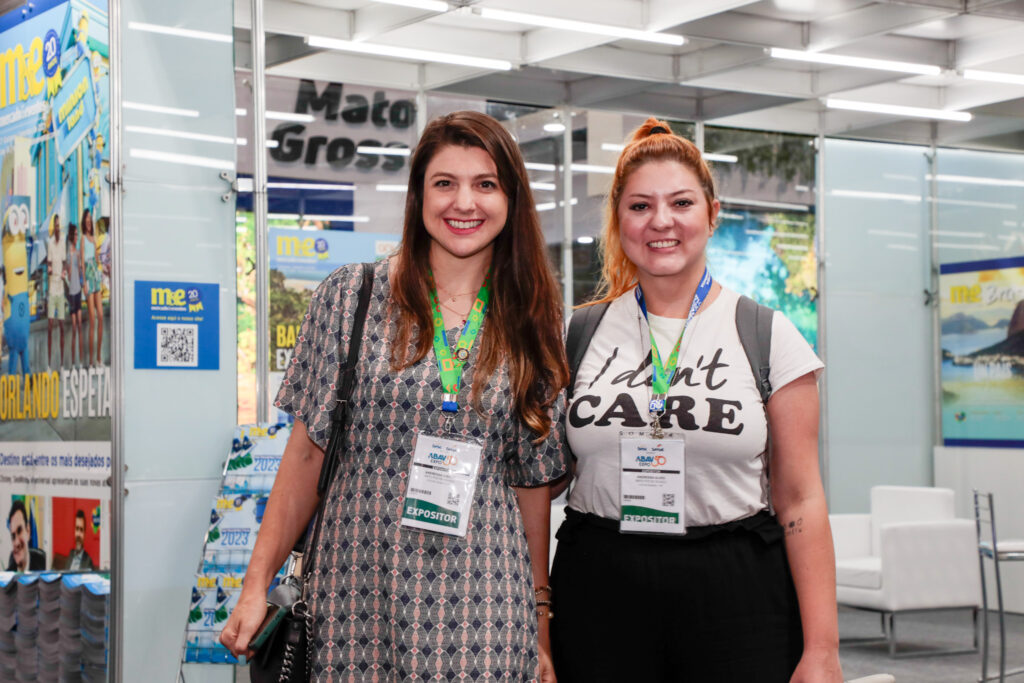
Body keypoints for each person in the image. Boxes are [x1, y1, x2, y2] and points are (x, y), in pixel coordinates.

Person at [220, 111, 569, 681]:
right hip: (356, 591)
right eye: (444, 183)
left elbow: (531, 486)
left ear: (511, 200)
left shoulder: (533, 322)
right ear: (418, 196)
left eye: (486, 184)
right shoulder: (351, 298)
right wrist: (256, 584)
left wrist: (541, 631)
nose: (465, 202)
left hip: (484, 604)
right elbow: (307, 455)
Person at [549, 118, 842, 683]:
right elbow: (542, 480)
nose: (661, 221)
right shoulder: (576, 335)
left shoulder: (768, 334)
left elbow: (801, 499)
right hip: (600, 582)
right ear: (619, 219)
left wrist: (822, 649)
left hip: (736, 589)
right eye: (640, 206)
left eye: (681, 203)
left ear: (712, 213)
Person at [81, 208, 103, 367]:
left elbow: (97, 260)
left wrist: (102, 272)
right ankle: (90, 361)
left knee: (101, 316)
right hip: (88, 276)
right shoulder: (82, 238)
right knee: (92, 319)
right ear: (84, 222)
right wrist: (84, 284)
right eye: (87, 219)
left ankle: (99, 358)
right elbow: (82, 263)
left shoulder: (94, 239)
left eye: (90, 219)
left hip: (96, 274)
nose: (89, 221)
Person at [46, 214, 67, 369]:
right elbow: (49, 262)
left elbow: (65, 261)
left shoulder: (63, 241)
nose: (58, 228)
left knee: (61, 326)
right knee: (49, 326)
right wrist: (49, 268)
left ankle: (60, 364)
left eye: (59, 225)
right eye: (56, 225)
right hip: (52, 288)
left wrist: (64, 271)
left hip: (61, 287)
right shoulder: (50, 243)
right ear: (54, 227)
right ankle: (48, 364)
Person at [7, 500, 46, 572]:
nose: (16, 542)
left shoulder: (41, 568)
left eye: (19, 531)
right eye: (13, 536)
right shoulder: (8, 577)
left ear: (28, 531)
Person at [67, 222, 84, 367]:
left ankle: (81, 362)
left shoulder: (78, 252)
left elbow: (79, 273)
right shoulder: (69, 254)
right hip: (71, 295)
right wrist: (72, 259)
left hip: (78, 292)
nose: (77, 237)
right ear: (72, 236)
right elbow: (68, 275)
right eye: (76, 234)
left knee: (79, 326)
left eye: (79, 234)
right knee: (73, 329)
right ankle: (73, 363)